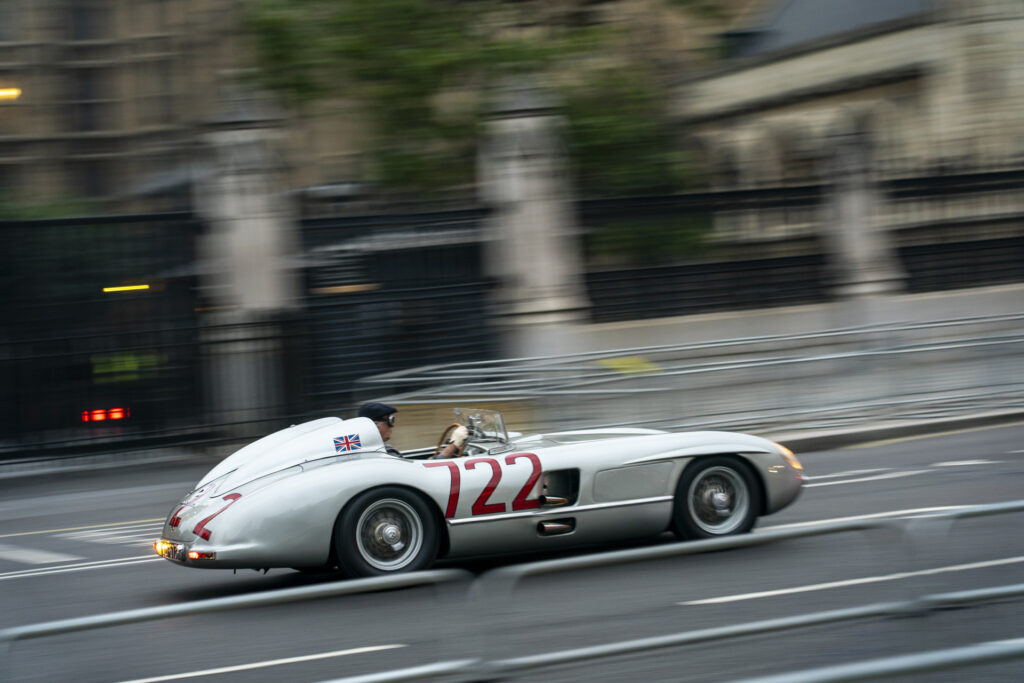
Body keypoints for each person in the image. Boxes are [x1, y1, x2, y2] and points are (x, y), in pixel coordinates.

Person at [357, 402, 468, 458]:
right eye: (390, 420)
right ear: (374, 426)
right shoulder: (382, 453)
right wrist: (453, 445)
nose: (392, 426)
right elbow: (421, 473)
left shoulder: (363, 448)